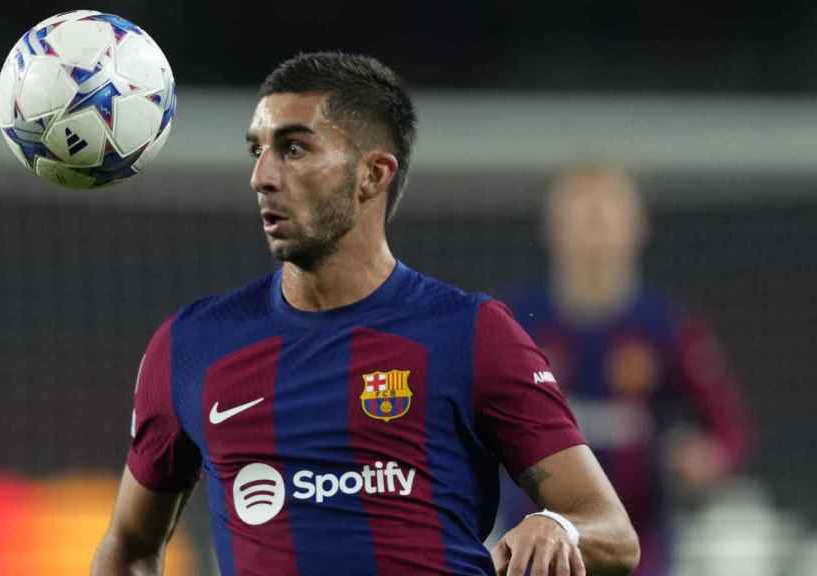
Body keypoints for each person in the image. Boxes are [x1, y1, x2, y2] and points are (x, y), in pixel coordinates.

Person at [91, 53, 639, 576]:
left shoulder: (472, 334)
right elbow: (128, 548)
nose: (261, 176)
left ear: (373, 175)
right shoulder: (192, 346)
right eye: (256, 150)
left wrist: (559, 528)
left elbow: (612, 532)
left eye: (294, 149)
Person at [496, 164, 750, 575]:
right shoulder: (512, 324)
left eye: (605, 216)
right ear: (553, 228)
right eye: (581, 217)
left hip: (638, 545)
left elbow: (729, 429)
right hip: (535, 545)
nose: (594, 232)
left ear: (636, 227)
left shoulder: (667, 327)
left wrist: (706, 458)